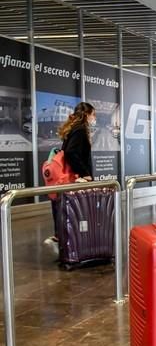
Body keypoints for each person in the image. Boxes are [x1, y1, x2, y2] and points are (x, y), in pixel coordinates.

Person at [45, 102, 96, 245]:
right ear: (86, 115)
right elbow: (71, 152)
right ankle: (72, 242)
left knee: (63, 205)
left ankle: (61, 237)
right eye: (93, 114)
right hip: (76, 177)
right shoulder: (80, 129)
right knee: (78, 210)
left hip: (72, 175)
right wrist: (84, 173)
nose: (94, 117)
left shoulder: (73, 128)